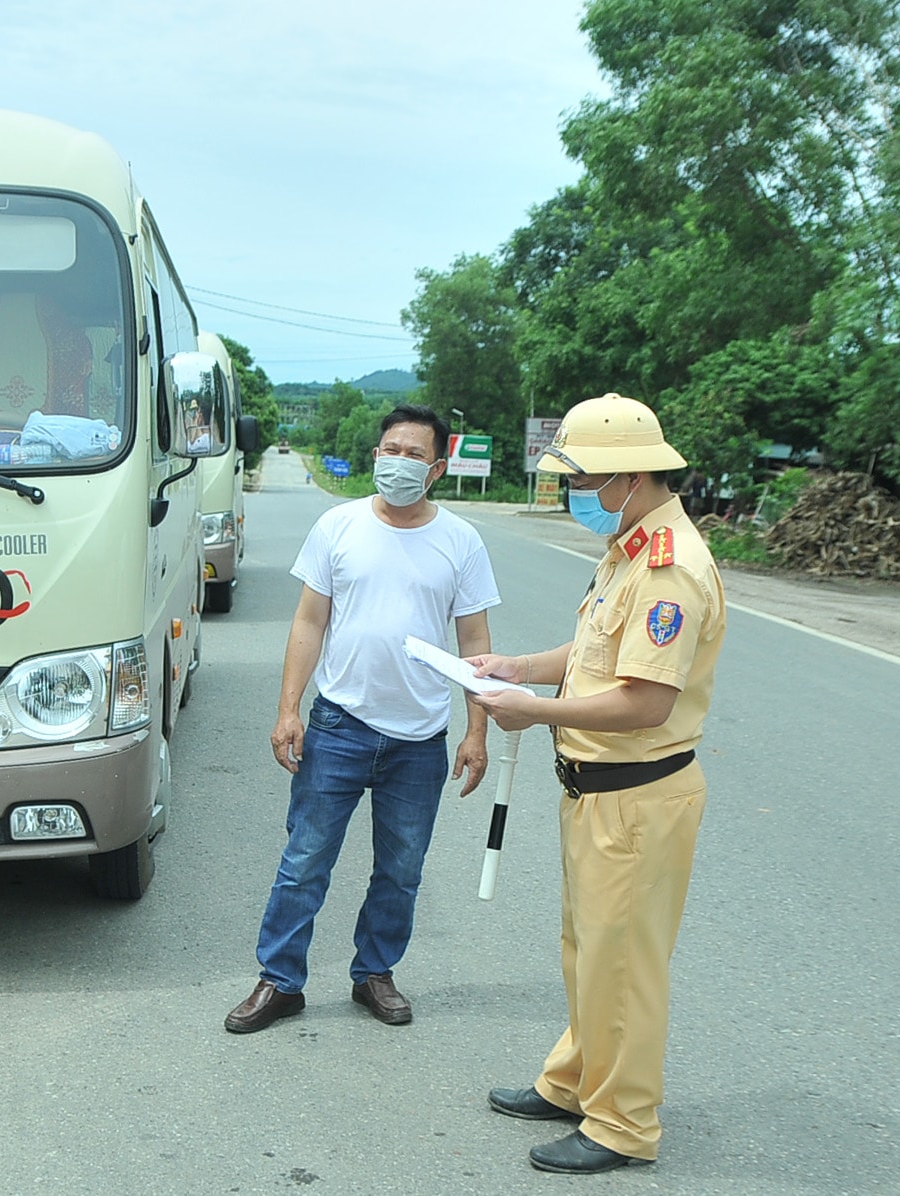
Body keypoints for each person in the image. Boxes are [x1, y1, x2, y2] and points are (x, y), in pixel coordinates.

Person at [467, 393, 725, 1174]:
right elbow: (590, 656)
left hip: (638, 795)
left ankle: (622, 1125)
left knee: (624, 966)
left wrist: (534, 710)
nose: (576, 495)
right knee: (589, 951)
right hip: (598, 792)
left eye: (584, 479)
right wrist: (516, 668)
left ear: (630, 476)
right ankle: (577, 1079)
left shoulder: (670, 566)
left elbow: (646, 700)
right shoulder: (628, 546)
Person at [224, 403, 499, 1035]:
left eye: (413, 455)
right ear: (376, 455)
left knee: (401, 870)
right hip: (339, 726)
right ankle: (280, 980)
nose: (398, 463)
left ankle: (375, 973)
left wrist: (476, 731)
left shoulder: (460, 541)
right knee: (304, 860)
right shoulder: (337, 526)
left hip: (420, 739)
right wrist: (288, 708)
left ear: (438, 468)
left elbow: (476, 643)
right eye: (390, 450)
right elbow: (309, 621)